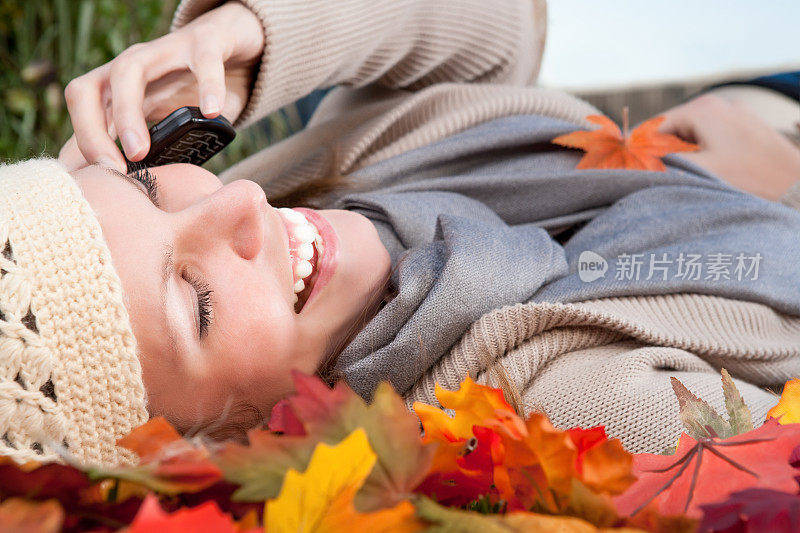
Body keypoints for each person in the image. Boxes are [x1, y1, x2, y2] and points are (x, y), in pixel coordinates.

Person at [2, 0, 800, 467]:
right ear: (206, 452)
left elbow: (509, 26)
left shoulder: (331, 168)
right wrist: (772, 187)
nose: (243, 201)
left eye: (148, 188)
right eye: (196, 299)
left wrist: (260, 40)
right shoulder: (556, 417)